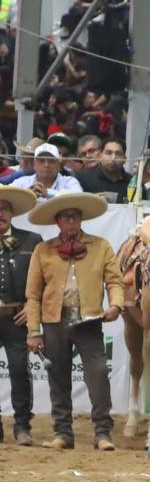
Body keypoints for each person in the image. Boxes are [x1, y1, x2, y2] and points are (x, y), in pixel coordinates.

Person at [24, 193, 124, 451]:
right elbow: (33, 296)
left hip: (89, 320)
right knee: (58, 377)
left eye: (75, 216)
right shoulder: (42, 250)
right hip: (53, 320)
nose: (71, 220)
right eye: (66, 216)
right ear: (57, 221)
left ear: (81, 219)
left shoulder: (100, 246)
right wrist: (34, 330)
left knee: (99, 373)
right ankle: (63, 433)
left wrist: (115, 304)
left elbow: (114, 280)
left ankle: (103, 432)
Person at [0, 187, 41, 446]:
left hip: (17, 317)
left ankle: (22, 424)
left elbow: (44, 280)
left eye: (3, 208)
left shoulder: (31, 240)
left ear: (12, 212)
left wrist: (31, 307)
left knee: (18, 369)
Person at [12, 144, 83, 198]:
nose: (46, 165)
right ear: (34, 165)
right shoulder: (22, 182)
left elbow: (79, 198)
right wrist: (26, 195)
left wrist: (48, 193)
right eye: (41, 161)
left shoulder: (69, 181)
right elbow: (5, 194)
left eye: (51, 161)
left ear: (58, 165)